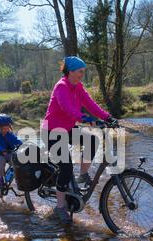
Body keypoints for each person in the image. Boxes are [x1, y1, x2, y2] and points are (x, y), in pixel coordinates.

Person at [42, 56, 117, 224]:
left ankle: (83, 175)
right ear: (71, 71)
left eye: (84, 71)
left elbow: (91, 104)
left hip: (67, 129)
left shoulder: (78, 87)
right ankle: (60, 207)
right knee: (66, 167)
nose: (83, 74)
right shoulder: (61, 87)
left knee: (92, 140)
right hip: (51, 131)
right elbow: (67, 108)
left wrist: (107, 117)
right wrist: (85, 119)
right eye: (80, 71)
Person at [0, 114, 23, 189]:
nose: (5, 130)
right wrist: (2, 150)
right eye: (3, 129)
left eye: (7, 128)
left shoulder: (9, 134)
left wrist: (23, 145)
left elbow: (16, 140)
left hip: (8, 152)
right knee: (1, 161)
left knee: (17, 161)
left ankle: (17, 177)